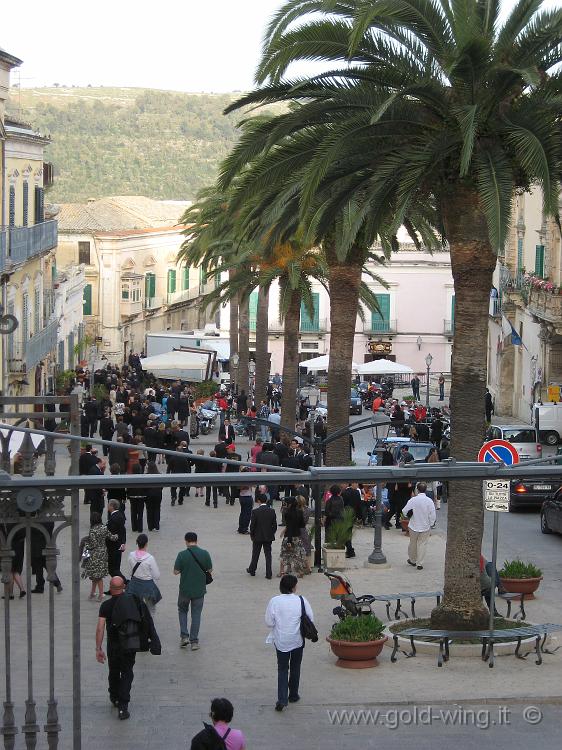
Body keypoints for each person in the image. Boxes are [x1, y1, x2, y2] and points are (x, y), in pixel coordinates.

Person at [95, 576, 160, 721]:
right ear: (124, 587)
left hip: (113, 646)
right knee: (127, 672)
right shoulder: (133, 601)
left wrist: (98, 648)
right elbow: (146, 621)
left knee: (113, 671)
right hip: (130, 644)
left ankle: (114, 696)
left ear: (110, 589)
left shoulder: (105, 606)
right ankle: (123, 706)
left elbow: (100, 628)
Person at [265, 574, 314, 711]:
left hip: (281, 641)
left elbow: (269, 622)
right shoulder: (301, 600)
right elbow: (311, 619)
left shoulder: (274, 601)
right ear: (293, 587)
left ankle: (282, 699)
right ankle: (293, 694)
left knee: (282, 668)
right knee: (295, 666)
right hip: (297, 640)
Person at [173, 531, 213, 650]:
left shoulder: (182, 555)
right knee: (196, 614)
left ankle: (184, 636)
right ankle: (194, 641)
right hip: (199, 590)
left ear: (186, 541)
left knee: (182, 611)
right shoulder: (205, 553)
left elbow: (175, 572)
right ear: (196, 540)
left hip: (185, 589)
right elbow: (209, 570)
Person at [82, 512, 118, 601]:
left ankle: (100, 594)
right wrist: (117, 536)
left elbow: (93, 544)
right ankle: (93, 592)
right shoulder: (104, 527)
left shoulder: (92, 530)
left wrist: (85, 543)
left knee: (97, 576)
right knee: (97, 575)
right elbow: (112, 537)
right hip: (103, 553)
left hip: (95, 555)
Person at [402, 482, 436, 570]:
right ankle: (419, 563)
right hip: (425, 526)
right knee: (422, 544)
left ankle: (413, 560)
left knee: (413, 543)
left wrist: (409, 515)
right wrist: (431, 523)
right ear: (425, 490)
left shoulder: (413, 500)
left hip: (414, 525)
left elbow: (404, 510)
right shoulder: (429, 501)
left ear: (417, 489)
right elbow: (433, 514)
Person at [126, 534, 161, 614]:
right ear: (146, 544)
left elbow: (129, 572)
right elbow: (157, 575)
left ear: (137, 543)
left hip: (134, 585)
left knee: (135, 608)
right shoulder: (150, 558)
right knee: (151, 610)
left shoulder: (131, 555)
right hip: (147, 586)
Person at [247, 493, 277, 579]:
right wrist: (271, 533)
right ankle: (269, 573)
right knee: (268, 555)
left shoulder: (255, 512)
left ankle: (252, 570)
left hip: (257, 536)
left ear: (259, 501)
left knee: (255, 554)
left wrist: (252, 534)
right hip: (268, 536)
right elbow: (274, 525)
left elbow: (252, 525)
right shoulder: (272, 511)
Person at [279, 497, 306, 577]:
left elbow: (289, 527)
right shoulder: (300, 512)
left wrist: (289, 541)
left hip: (289, 536)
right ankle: (300, 572)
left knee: (284, 554)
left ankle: (281, 571)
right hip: (297, 536)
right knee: (297, 555)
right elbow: (302, 525)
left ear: (289, 504)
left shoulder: (287, 513)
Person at [106, 500, 126, 579]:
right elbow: (123, 531)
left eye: (108, 505)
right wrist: (123, 542)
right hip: (118, 545)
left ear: (112, 506)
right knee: (115, 569)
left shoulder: (114, 518)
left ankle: (125, 583)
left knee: (113, 569)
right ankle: (117, 586)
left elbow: (111, 533)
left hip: (113, 547)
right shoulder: (119, 515)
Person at [127, 464, 146, 533]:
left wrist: (128, 495)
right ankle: (140, 528)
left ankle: (134, 527)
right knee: (140, 513)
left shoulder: (130, 477)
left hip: (132, 497)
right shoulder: (143, 477)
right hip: (141, 497)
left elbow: (128, 487)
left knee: (133, 512)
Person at [145, 462, 163, 531]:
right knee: (157, 509)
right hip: (158, 494)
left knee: (149, 510)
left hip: (149, 495)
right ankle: (156, 525)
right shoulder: (159, 475)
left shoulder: (146, 476)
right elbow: (161, 486)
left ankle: (150, 526)